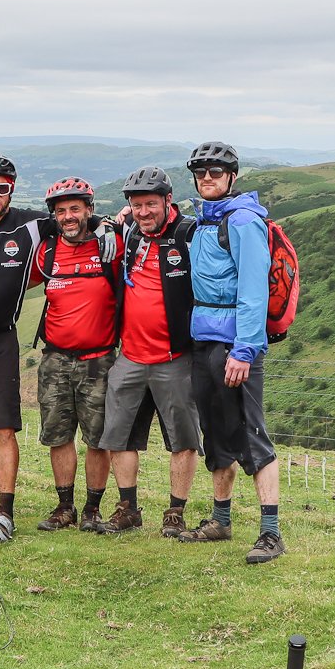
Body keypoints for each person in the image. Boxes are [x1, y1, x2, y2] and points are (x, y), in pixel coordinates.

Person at [0, 154, 116, 544]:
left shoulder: (31, 224)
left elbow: (76, 217)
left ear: (11, 189)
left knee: (2, 427)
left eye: (2, 187)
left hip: (1, 339)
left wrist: (109, 226)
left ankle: (4, 513)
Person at [178, 141, 285, 563]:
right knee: (217, 433)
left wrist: (244, 350)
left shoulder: (243, 221)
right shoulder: (205, 222)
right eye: (201, 172)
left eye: (216, 172)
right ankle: (221, 520)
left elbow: (254, 290)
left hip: (234, 346)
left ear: (232, 177)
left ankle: (271, 532)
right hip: (203, 340)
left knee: (250, 433)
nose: (208, 178)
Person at [95, 166, 201, 537]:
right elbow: (94, 221)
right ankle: (128, 509)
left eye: (151, 204)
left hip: (175, 358)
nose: (144, 212)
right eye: (137, 206)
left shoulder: (188, 233)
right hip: (130, 357)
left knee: (183, 440)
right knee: (118, 437)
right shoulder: (129, 233)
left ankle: (175, 512)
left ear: (168, 201)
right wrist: (113, 221)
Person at [29, 177, 120, 534]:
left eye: (75, 209)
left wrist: (109, 225)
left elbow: (133, 220)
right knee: (59, 435)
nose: (69, 216)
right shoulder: (47, 252)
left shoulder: (109, 247)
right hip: (54, 360)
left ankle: (92, 510)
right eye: (62, 210)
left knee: (98, 439)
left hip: (99, 359)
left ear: (89, 210)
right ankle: (64, 507)